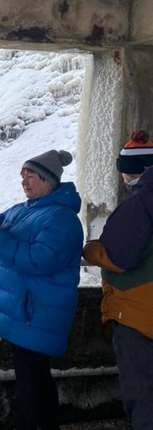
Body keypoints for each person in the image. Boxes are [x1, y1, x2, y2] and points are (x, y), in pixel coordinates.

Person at [0, 150, 83, 430]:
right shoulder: (24, 211)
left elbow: (39, 260)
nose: (24, 182)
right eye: (22, 176)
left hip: (36, 313)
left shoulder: (61, 218)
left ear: (49, 180)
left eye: (31, 176)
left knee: (30, 388)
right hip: (25, 312)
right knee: (35, 379)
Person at [82, 130, 153, 430]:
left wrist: (91, 250)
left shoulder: (141, 203)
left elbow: (119, 256)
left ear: (128, 172)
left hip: (140, 315)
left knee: (144, 395)